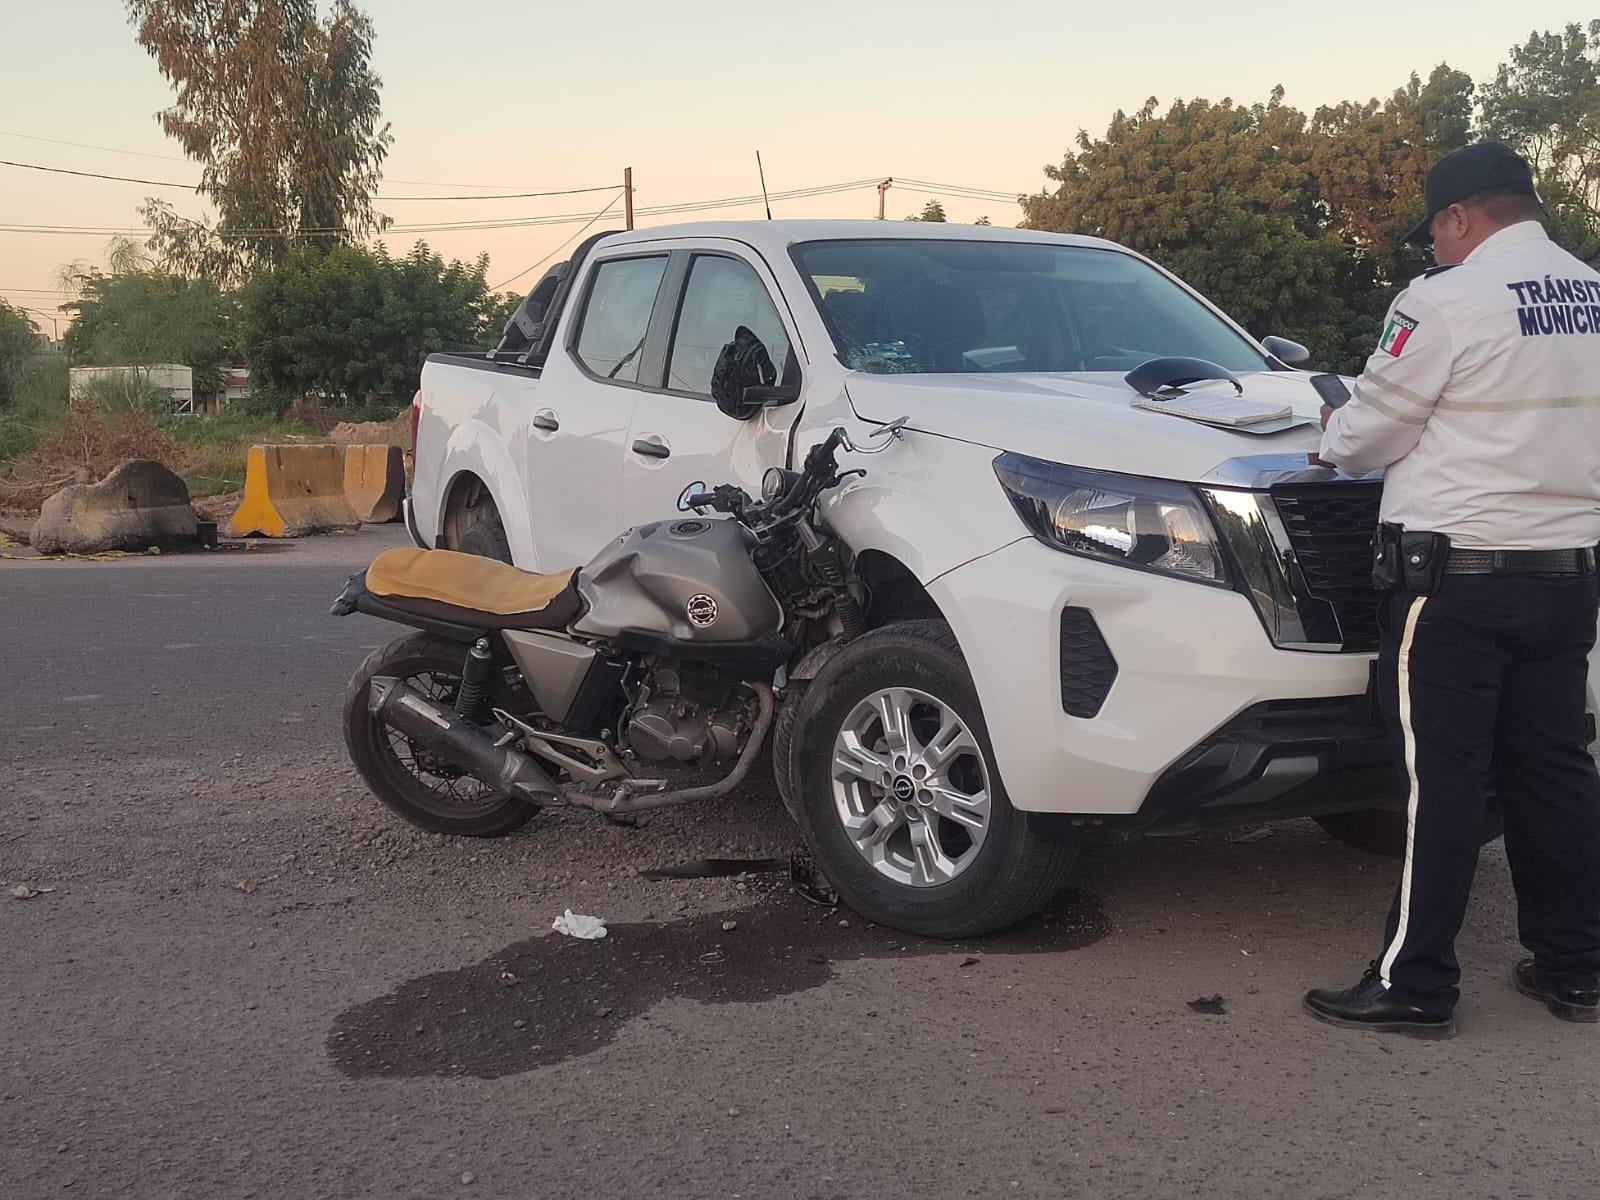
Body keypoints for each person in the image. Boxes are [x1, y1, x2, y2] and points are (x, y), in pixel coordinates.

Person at [1304, 141, 1600, 1039]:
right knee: (1555, 772)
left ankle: (1417, 979)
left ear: (1460, 217)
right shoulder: (1591, 291)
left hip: (1458, 586)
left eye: (1435, 230)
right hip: (1568, 578)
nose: (1431, 247)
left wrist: (1333, 425)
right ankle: (1578, 965)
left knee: (1443, 783)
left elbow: (1363, 439)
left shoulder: (1445, 301)